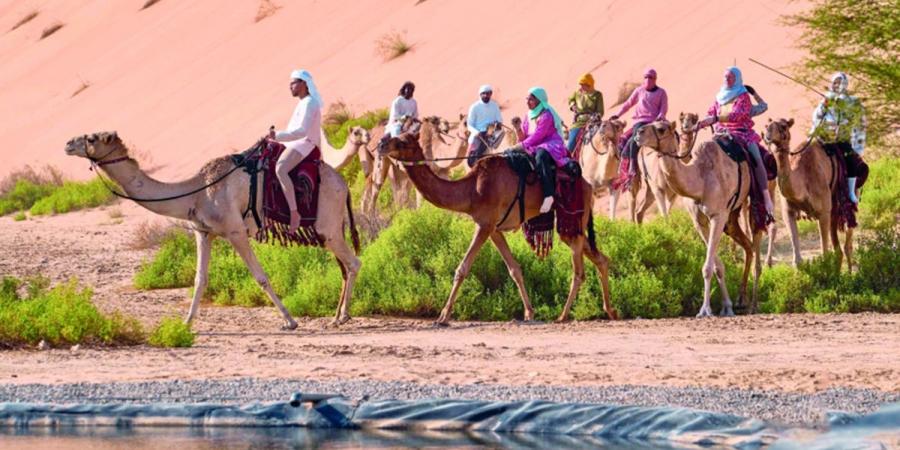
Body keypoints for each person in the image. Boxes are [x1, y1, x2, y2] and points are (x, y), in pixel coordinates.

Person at [695, 66, 774, 215]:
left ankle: (765, 197)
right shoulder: (719, 96)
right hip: (720, 133)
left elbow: (738, 114)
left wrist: (716, 118)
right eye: (725, 77)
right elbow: (711, 112)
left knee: (756, 158)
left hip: (741, 133)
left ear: (737, 79)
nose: (727, 79)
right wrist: (703, 122)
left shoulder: (743, 96)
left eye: (730, 77)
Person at [268, 69, 323, 233]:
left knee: (280, 168)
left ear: (304, 84)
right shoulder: (303, 103)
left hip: (304, 143)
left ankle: (294, 213)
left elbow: (301, 131)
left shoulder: (310, 103)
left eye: (293, 83)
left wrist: (277, 135)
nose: (290, 86)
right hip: (294, 143)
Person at [810, 72, 868, 203]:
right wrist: (824, 105)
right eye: (835, 82)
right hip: (826, 137)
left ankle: (851, 192)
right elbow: (817, 116)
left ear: (845, 84)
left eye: (840, 82)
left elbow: (857, 120)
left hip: (842, 138)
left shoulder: (852, 101)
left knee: (851, 160)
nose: (837, 85)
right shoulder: (827, 98)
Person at [512, 87, 570, 213]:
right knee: (512, 156)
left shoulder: (546, 115)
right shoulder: (528, 115)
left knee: (541, 156)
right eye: (527, 99)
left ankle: (549, 195)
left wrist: (522, 145)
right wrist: (518, 129)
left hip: (550, 143)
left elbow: (538, 136)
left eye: (531, 99)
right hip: (533, 144)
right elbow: (525, 137)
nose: (528, 102)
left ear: (539, 100)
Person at [609, 68, 668, 190]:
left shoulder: (661, 92)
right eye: (646, 77)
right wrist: (618, 114)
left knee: (672, 135)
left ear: (655, 79)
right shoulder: (639, 90)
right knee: (628, 140)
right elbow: (628, 104)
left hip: (653, 123)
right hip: (640, 122)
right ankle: (630, 168)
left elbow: (663, 108)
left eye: (651, 77)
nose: (648, 80)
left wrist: (660, 116)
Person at [466, 84, 503, 167]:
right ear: (480, 94)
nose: (486, 95)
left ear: (491, 94)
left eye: (488, 93)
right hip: (478, 134)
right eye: (484, 93)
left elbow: (499, 120)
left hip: (492, 132)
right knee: (474, 158)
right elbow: (470, 125)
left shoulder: (494, 106)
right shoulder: (474, 107)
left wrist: (497, 124)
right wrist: (476, 132)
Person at [566, 73, 604, 154]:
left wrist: (595, 117)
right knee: (570, 146)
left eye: (583, 85)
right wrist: (573, 106)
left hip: (593, 122)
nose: (581, 87)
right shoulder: (577, 93)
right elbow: (570, 100)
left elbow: (600, 111)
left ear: (589, 84)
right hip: (579, 122)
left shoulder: (597, 95)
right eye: (581, 85)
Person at [379, 81, 418, 149]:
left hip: (410, 122)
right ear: (404, 90)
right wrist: (404, 117)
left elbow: (415, 114)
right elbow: (395, 115)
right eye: (407, 89)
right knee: (396, 130)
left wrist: (413, 119)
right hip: (398, 122)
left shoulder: (413, 102)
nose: (409, 91)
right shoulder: (397, 101)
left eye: (411, 89)